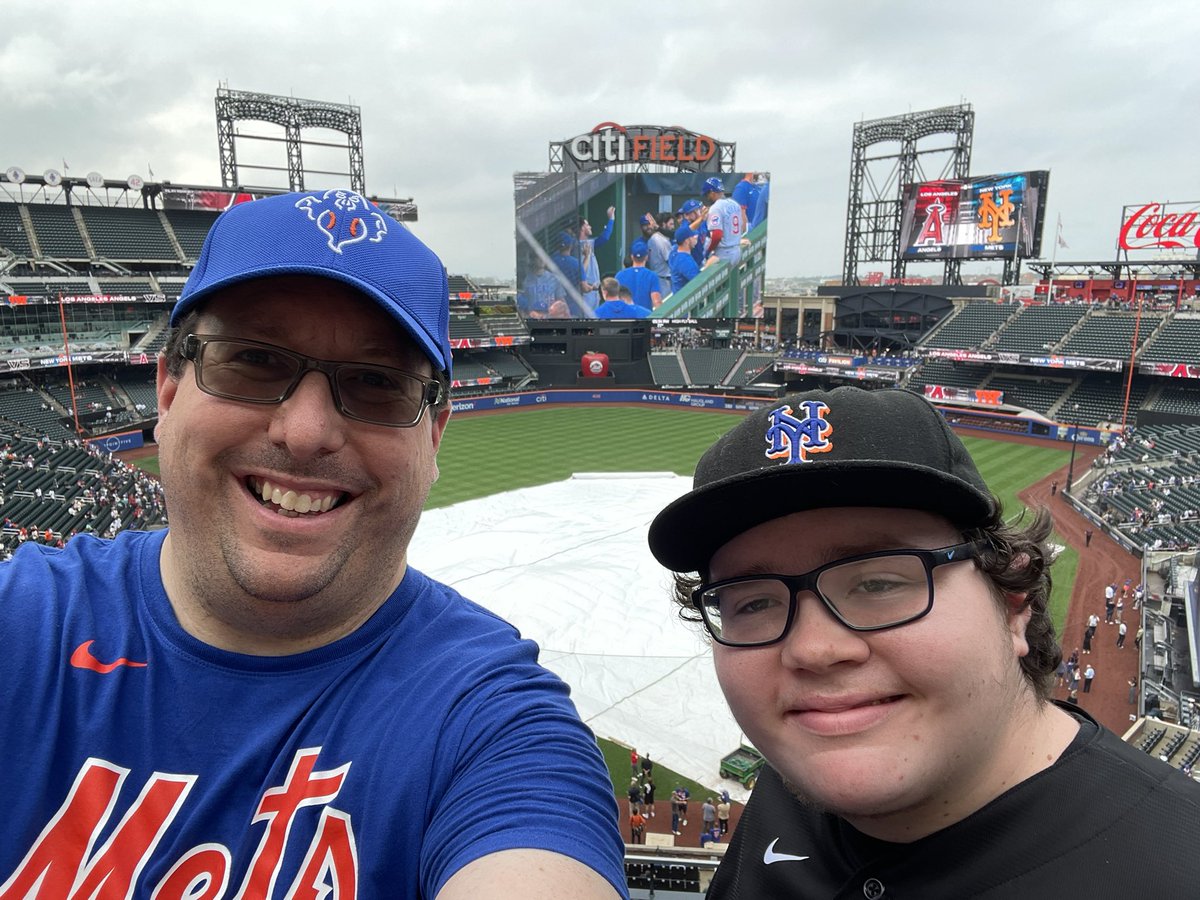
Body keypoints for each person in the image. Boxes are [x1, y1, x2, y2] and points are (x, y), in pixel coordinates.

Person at [0, 190, 626, 898]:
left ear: (434, 434)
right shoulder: (23, 622)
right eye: (255, 360)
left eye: (376, 382)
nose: (305, 432)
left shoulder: (492, 725)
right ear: (168, 390)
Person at [647, 386, 1200, 896]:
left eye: (879, 582)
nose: (813, 649)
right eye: (754, 601)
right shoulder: (789, 786)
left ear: (1013, 604)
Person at [700, 176, 746, 265]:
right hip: (736, 250)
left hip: (724, 253)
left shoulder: (716, 208)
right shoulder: (735, 203)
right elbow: (743, 226)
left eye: (707, 194)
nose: (707, 197)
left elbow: (717, 235)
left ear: (712, 193)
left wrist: (709, 250)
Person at [615, 240, 662, 310]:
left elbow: (614, 299)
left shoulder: (620, 275)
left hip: (624, 315)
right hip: (644, 316)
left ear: (632, 257)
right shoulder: (652, 276)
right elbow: (656, 302)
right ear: (646, 257)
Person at [640, 213, 672, 298]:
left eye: (649, 224)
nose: (648, 227)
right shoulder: (659, 240)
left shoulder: (652, 239)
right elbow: (670, 261)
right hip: (664, 280)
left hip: (659, 278)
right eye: (645, 225)